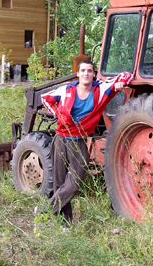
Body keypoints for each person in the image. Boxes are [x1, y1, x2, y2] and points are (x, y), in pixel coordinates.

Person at [40, 62, 133, 225]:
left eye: (89, 71)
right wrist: (59, 116)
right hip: (61, 139)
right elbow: (45, 98)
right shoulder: (66, 90)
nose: (86, 74)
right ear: (78, 74)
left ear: (94, 74)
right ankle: (65, 223)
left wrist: (121, 83)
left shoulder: (101, 89)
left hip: (80, 141)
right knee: (59, 182)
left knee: (74, 183)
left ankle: (47, 208)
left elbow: (127, 75)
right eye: (83, 71)